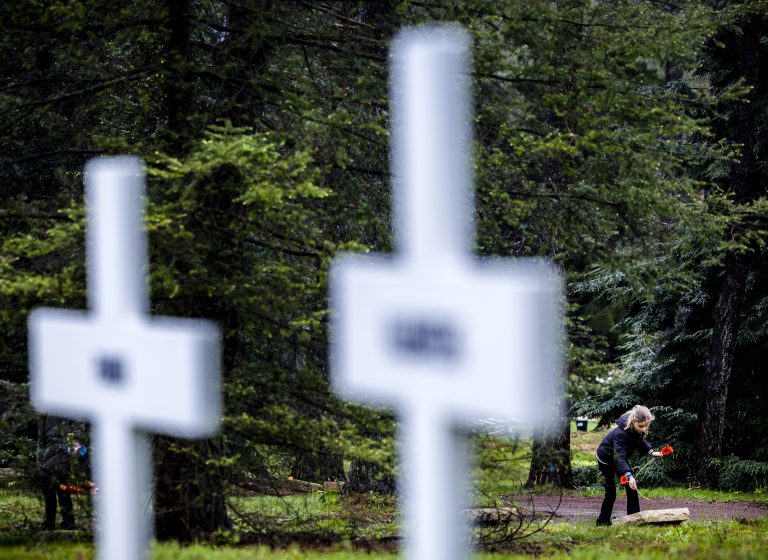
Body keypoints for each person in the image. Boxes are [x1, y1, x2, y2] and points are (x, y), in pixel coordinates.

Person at [595, 405, 663, 526]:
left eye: (646, 426)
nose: (644, 429)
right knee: (611, 492)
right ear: (633, 422)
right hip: (607, 460)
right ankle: (602, 522)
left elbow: (640, 441)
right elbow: (619, 457)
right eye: (641, 426)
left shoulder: (636, 430)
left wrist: (652, 452)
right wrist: (628, 475)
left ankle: (634, 520)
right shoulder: (621, 434)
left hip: (619, 460)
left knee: (632, 488)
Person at [37, 415, 88, 530]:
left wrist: (75, 445)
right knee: (52, 489)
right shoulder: (43, 415)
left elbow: (78, 427)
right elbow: (40, 440)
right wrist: (39, 461)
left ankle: (63, 523)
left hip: (62, 450)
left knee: (59, 487)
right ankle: (57, 523)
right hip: (49, 452)